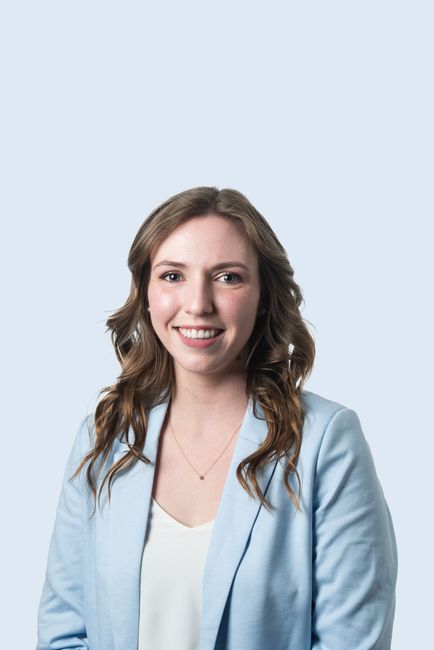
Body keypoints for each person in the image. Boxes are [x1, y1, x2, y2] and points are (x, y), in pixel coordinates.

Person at [36, 186, 398, 650]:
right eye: (172, 276)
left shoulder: (327, 443)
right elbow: (64, 633)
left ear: (264, 296)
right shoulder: (103, 437)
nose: (198, 303)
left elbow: (353, 642)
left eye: (228, 277)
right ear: (146, 293)